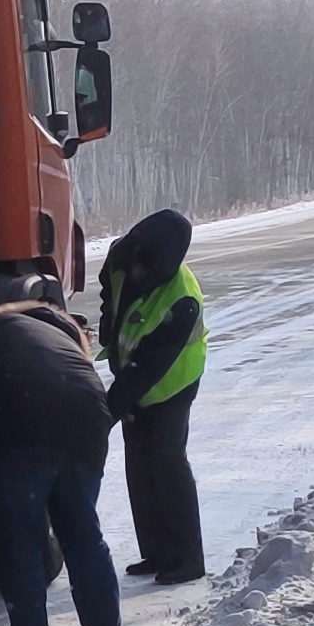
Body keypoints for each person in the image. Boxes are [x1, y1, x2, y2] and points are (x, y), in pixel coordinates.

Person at [0, 275, 123, 626]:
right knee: (83, 536)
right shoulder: (63, 343)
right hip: (88, 424)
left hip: (29, 428)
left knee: (19, 544)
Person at [99, 208, 208, 584]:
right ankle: (157, 553)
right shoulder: (123, 256)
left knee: (167, 462)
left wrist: (106, 412)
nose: (137, 274)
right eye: (136, 266)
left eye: (147, 270)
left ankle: (189, 558)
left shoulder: (182, 300)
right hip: (134, 373)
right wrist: (106, 328)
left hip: (172, 383)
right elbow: (109, 288)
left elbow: (147, 369)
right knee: (140, 466)